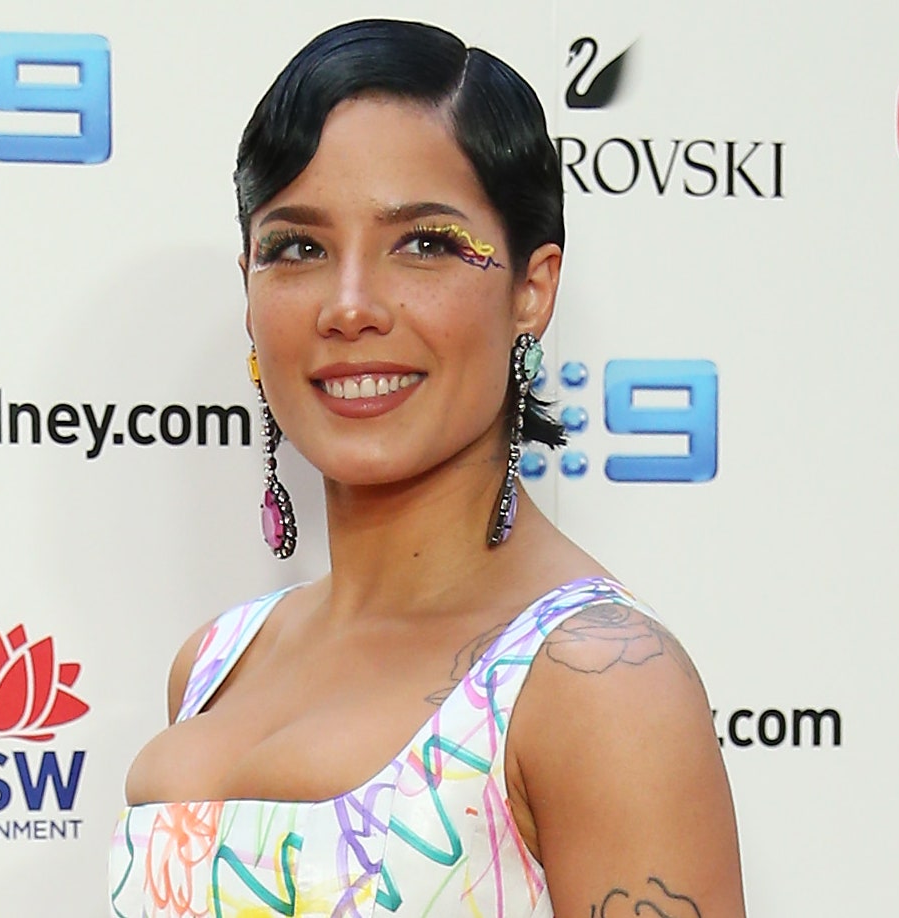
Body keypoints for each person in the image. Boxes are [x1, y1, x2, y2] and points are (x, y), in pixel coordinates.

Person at [111, 18, 744, 918]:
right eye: (297, 248)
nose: (350, 307)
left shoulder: (599, 682)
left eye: (424, 244)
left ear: (532, 288)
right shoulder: (216, 660)